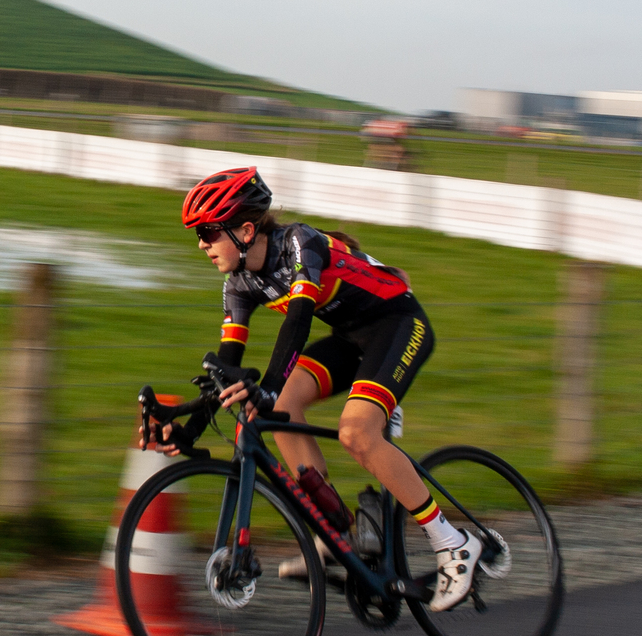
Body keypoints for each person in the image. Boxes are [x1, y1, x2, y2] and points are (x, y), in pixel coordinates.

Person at [139, 166, 483, 613]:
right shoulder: (239, 284)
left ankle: (453, 544)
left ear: (245, 229)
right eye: (198, 235)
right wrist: (192, 429)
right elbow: (228, 366)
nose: (202, 244)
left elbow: (298, 319)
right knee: (278, 411)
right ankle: (332, 533)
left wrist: (267, 388)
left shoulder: (299, 244)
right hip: (349, 336)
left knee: (356, 434)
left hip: (398, 324)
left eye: (207, 232)